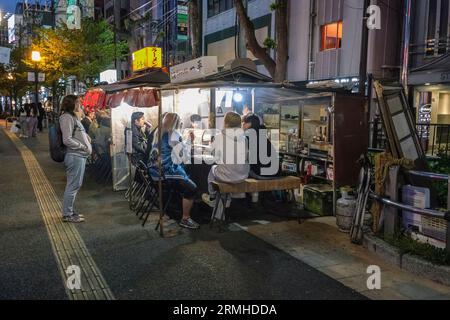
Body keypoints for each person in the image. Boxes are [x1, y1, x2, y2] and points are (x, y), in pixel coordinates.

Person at [149, 112, 200, 229]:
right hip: (166, 172)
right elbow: (183, 156)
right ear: (177, 123)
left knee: (185, 176)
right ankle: (185, 219)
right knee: (192, 188)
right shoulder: (173, 134)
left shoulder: (158, 132)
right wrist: (189, 141)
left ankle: (177, 208)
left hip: (154, 172)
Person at [202, 112, 250, 211]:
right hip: (243, 175)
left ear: (226, 123)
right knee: (225, 170)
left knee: (213, 169)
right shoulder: (244, 138)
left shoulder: (220, 137)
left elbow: (213, 155)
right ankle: (226, 202)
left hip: (227, 175)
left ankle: (212, 196)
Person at [60, 95, 92, 223]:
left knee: (75, 185)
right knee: (73, 185)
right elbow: (66, 139)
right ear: (71, 103)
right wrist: (82, 146)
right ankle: (67, 214)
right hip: (75, 155)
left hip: (79, 155)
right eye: (78, 102)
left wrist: (86, 139)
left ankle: (70, 211)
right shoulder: (66, 117)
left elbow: (78, 133)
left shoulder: (72, 116)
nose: (80, 104)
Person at [242, 113, 278, 178]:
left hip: (261, 173)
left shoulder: (248, 136)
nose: (242, 125)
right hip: (275, 173)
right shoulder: (262, 135)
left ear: (249, 124)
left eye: (244, 123)